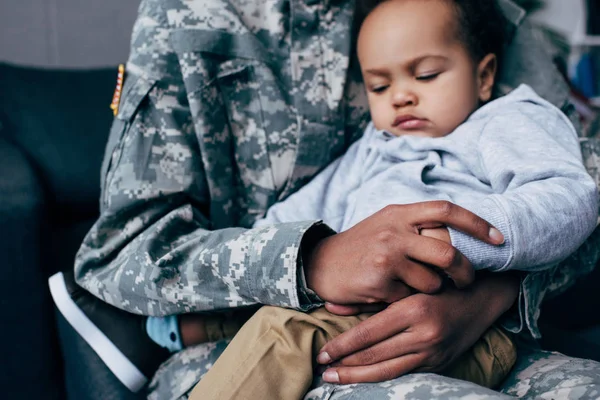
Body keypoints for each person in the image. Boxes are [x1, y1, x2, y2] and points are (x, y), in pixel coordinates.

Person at [50, 0, 600, 398]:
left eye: (426, 74)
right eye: (379, 86)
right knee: (282, 333)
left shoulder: (469, 35)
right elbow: (119, 252)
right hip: (295, 323)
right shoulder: (189, 15)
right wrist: (307, 259)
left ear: (484, 76)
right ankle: (168, 329)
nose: (402, 95)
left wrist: (495, 288)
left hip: (477, 321)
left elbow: (575, 188)